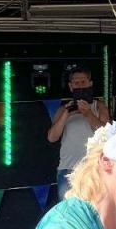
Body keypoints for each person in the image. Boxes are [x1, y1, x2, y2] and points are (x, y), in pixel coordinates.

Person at [47, 68, 110, 198]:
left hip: (94, 167)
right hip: (68, 169)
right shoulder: (63, 109)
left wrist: (88, 114)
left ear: (90, 84)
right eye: (76, 83)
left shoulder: (99, 106)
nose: (80, 85)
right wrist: (66, 114)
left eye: (83, 82)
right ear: (70, 86)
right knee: (68, 211)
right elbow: (52, 137)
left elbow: (107, 133)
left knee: (95, 208)